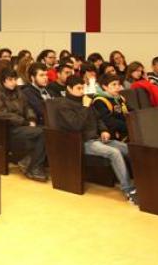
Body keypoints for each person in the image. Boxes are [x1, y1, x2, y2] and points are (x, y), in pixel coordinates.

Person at [51, 76, 137, 205]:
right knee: (114, 153)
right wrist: (85, 107)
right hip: (82, 142)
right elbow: (76, 125)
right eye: (79, 88)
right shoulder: (63, 105)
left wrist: (103, 130)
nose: (82, 91)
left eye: (83, 88)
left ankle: (141, 182)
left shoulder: (86, 101)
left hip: (97, 138)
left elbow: (98, 118)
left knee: (130, 149)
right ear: (69, 88)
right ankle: (129, 190)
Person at [0, 69, 47, 182]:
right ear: (3, 81)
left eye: (15, 79)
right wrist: (24, 122)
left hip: (22, 125)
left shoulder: (18, 91)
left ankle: (28, 161)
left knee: (46, 131)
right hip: (8, 128)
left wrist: (31, 118)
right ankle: (33, 167)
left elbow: (27, 107)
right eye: (10, 80)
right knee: (41, 133)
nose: (13, 82)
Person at [92, 74, 129, 141]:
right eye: (114, 84)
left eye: (118, 84)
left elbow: (130, 111)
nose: (117, 87)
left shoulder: (119, 98)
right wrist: (129, 125)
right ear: (105, 87)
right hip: (112, 135)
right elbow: (109, 121)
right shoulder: (99, 101)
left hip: (125, 130)